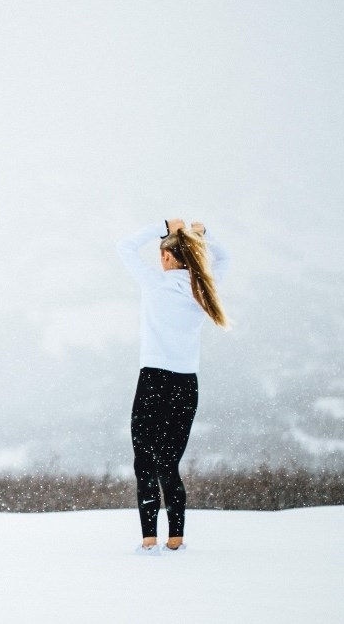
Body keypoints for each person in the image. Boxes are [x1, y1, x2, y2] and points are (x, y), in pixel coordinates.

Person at [116, 218, 230, 554]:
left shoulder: (155, 284)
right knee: (169, 463)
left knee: (145, 462)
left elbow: (123, 246)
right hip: (186, 384)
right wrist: (204, 233)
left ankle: (149, 538)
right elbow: (225, 259)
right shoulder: (201, 287)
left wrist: (162, 225)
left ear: (167, 258)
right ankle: (176, 537)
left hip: (153, 380)